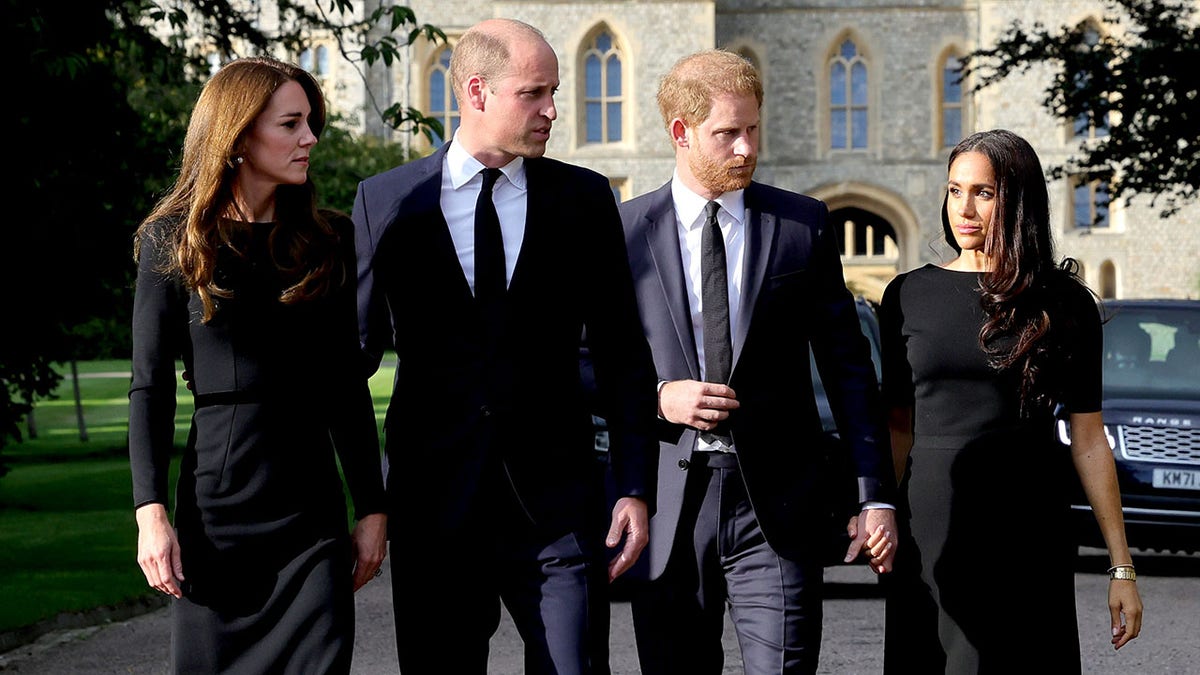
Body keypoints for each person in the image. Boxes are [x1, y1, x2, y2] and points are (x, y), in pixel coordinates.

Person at [350, 18, 659, 675]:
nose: (551, 110)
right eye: (534, 93)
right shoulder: (386, 202)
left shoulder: (584, 199)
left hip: (559, 509)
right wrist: (366, 499)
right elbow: (354, 361)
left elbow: (623, 355)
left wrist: (633, 485)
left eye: (555, 93)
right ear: (476, 92)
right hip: (434, 506)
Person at [617, 49, 898, 675]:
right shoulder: (625, 231)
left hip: (777, 507)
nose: (745, 148)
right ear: (680, 133)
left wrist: (874, 495)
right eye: (726, 134)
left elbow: (849, 370)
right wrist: (660, 395)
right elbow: (584, 363)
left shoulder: (802, 226)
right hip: (669, 505)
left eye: (752, 129)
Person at [128, 56, 387, 674]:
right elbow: (150, 386)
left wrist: (372, 509)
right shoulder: (173, 242)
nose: (310, 140)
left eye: (310, 123)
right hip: (216, 522)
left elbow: (346, 389)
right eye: (292, 124)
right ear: (240, 135)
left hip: (311, 523)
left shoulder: (330, 241)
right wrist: (151, 514)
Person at [877, 129, 1143, 673]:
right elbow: (898, 425)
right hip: (932, 519)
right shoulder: (907, 295)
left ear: (1018, 200)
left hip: (1028, 524)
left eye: (984, 193)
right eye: (955, 191)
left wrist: (1122, 567)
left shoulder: (1062, 302)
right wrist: (879, 510)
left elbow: (1089, 439)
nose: (965, 209)